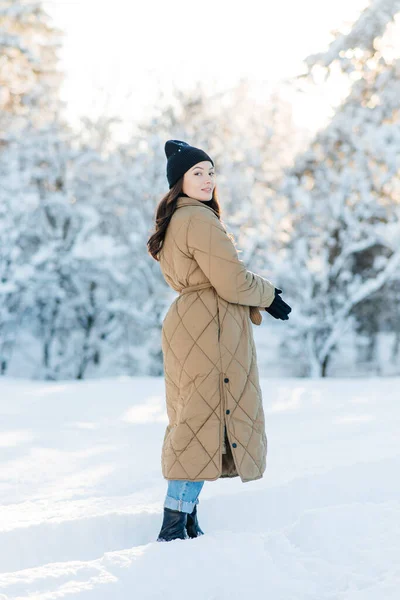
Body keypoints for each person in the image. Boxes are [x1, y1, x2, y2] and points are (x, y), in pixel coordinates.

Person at [146, 140, 292, 542]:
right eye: (197, 173)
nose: (208, 179)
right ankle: (173, 526)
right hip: (209, 328)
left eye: (211, 171)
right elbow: (230, 280)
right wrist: (269, 294)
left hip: (191, 324)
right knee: (202, 421)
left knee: (195, 420)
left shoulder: (179, 219)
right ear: (179, 181)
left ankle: (186, 521)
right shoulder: (198, 219)